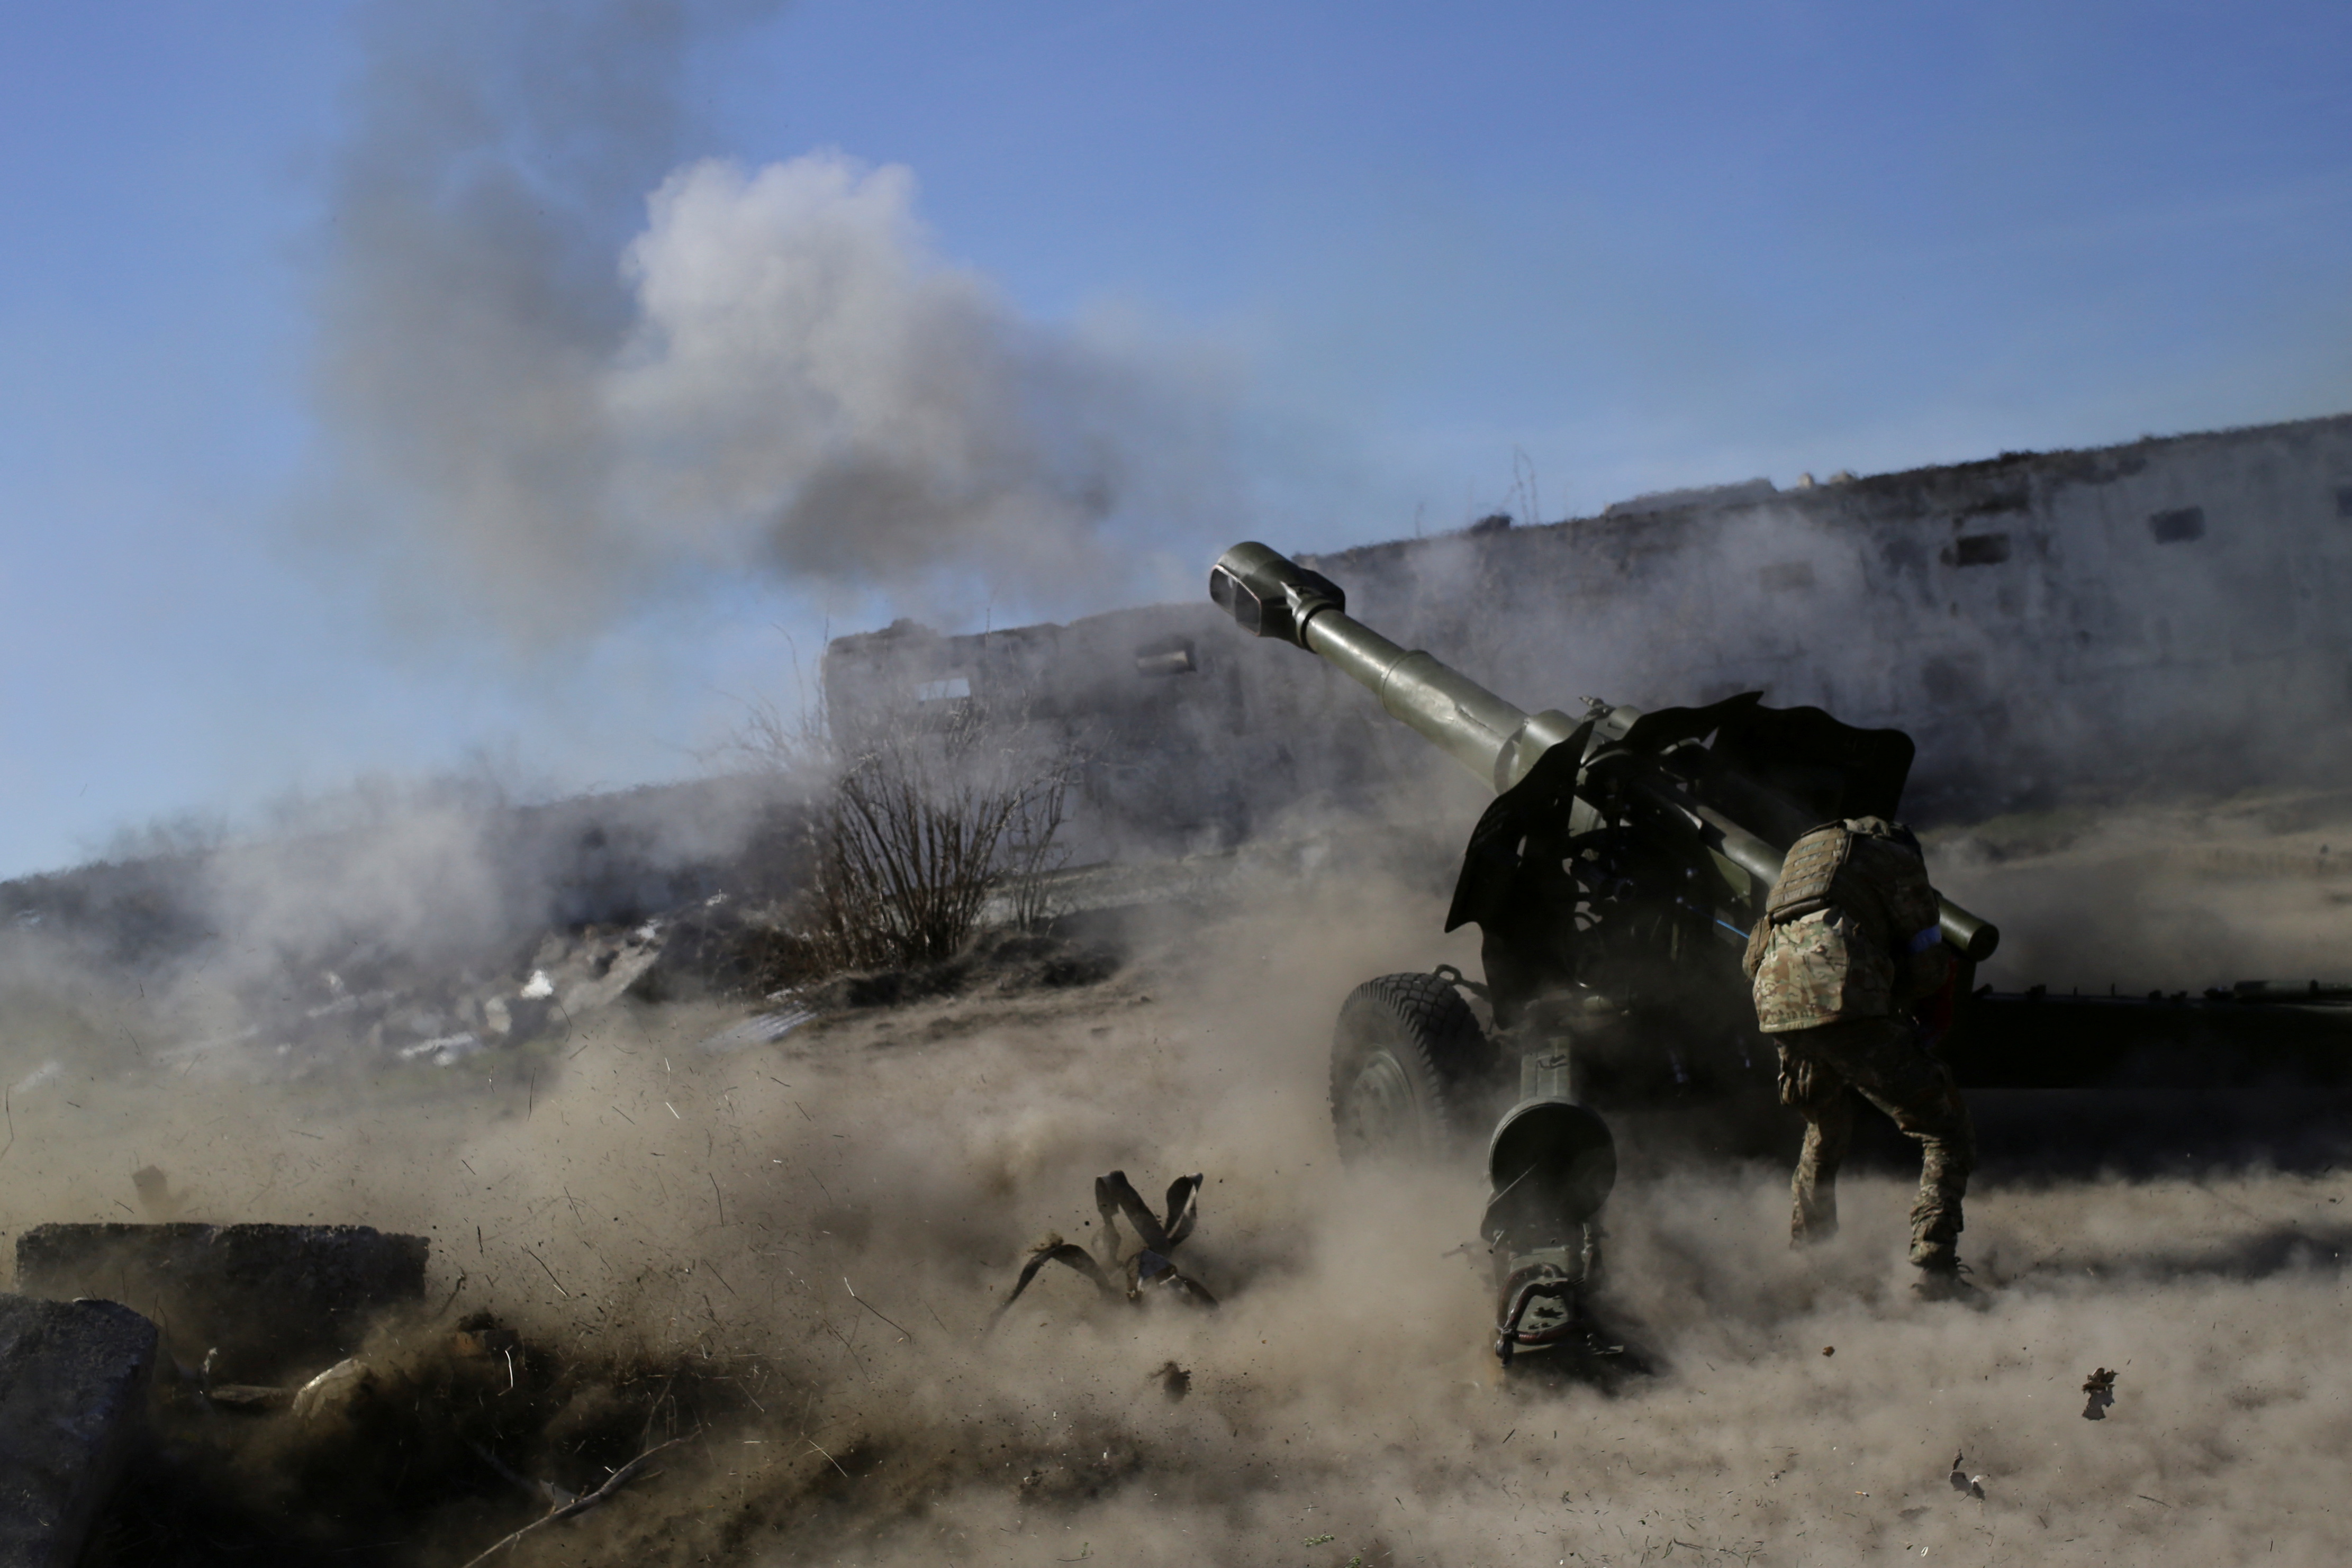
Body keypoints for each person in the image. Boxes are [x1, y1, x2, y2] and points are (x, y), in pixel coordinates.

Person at [1742, 816, 1976, 1298]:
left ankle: (1810, 1262)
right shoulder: (1898, 859)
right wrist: (1897, 1001)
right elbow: (1929, 967)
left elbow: (1752, 958)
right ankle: (1935, 1262)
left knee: (1824, 1127)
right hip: (1844, 996)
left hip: (1775, 1001)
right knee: (1944, 1128)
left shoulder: (1802, 859)